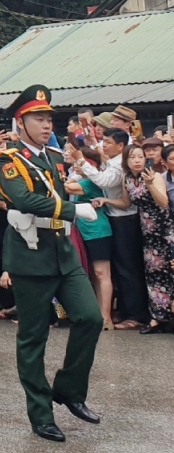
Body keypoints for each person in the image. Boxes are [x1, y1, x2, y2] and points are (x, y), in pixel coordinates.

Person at [0, 85, 103, 443]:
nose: (45, 124)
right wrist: (73, 209)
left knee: (90, 317)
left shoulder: (55, 158)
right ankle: (40, 413)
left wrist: (80, 193)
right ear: (20, 121)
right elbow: (22, 198)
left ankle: (69, 390)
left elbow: (58, 190)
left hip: (63, 254)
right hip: (30, 257)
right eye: (38, 118)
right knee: (33, 337)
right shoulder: (9, 160)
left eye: (48, 118)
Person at [76, 128, 147, 329]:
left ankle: (134, 314)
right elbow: (105, 162)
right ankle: (124, 311)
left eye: (107, 142)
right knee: (119, 268)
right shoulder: (115, 161)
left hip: (125, 220)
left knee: (127, 268)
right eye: (103, 141)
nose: (104, 145)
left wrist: (82, 162)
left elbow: (103, 180)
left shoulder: (118, 167)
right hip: (115, 218)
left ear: (120, 146)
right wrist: (95, 145)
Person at [119, 143, 174, 334]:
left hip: (165, 230)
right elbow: (126, 203)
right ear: (126, 160)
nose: (137, 160)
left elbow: (164, 202)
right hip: (146, 232)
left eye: (140, 157)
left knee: (169, 273)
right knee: (153, 276)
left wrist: (150, 184)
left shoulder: (154, 175)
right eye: (132, 157)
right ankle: (158, 318)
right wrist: (105, 201)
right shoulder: (126, 178)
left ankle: (170, 317)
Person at [63, 148, 114, 332]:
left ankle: (106, 316)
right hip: (84, 230)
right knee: (92, 273)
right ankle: (98, 314)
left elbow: (66, 186)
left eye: (80, 162)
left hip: (97, 230)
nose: (76, 166)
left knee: (102, 273)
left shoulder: (90, 182)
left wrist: (76, 174)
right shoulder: (85, 179)